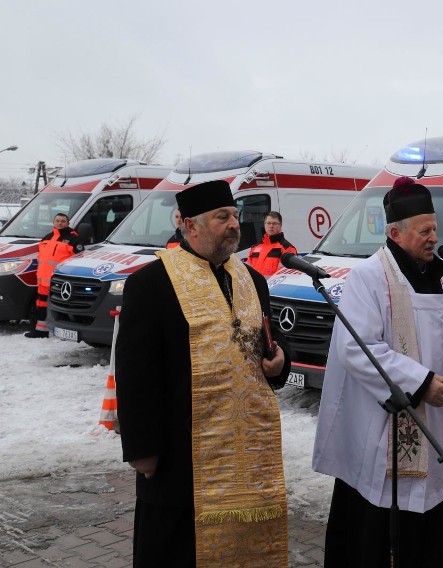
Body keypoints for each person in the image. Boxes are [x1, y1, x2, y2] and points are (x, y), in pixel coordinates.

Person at [313, 176, 443, 567]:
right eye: (424, 231)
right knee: (377, 529)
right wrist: (421, 383)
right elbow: (356, 348)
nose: (434, 238)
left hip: (436, 427)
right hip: (385, 427)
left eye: (435, 229)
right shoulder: (369, 277)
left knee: (426, 526)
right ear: (396, 233)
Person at [115, 179, 290, 567]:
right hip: (180, 451)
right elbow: (135, 373)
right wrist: (143, 450)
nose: (233, 224)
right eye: (221, 217)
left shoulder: (253, 280)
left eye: (235, 216)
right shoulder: (151, 283)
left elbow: (269, 341)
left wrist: (280, 363)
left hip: (245, 450)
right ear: (189, 226)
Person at [25, 212, 84, 338]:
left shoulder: (74, 239)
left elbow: (79, 260)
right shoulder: (46, 237)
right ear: (53, 222)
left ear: (68, 223)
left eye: (63, 221)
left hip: (61, 281)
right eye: (57, 220)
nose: (60, 223)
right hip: (43, 281)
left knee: (62, 307)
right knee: (41, 305)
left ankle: (65, 332)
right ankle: (41, 330)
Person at [246, 211, 297, 277]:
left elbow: (284, 277)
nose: (271, 226)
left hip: (273, 287)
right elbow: (247, 272)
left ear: (280, 225)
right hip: (254, 287)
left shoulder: (288, 249)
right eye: (268, 223)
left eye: (274, 223)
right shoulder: (254, 248)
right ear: (264, 225)